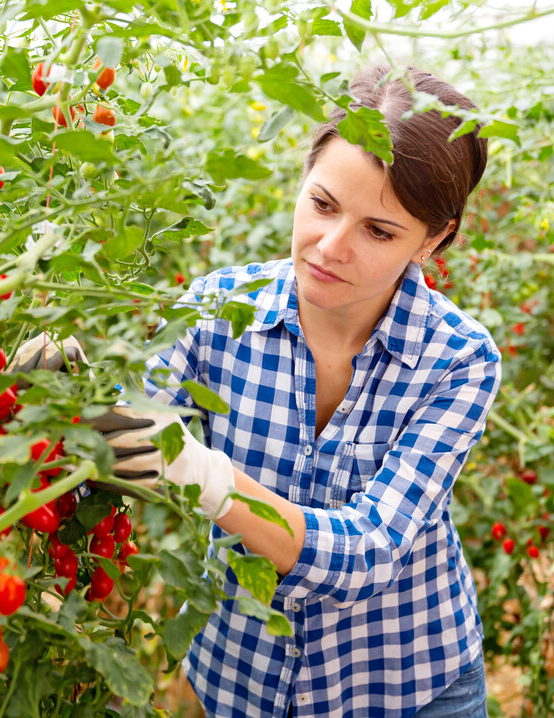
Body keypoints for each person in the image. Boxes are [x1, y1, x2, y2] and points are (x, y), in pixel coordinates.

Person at [94, 63, 501, 717]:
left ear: (435, 239)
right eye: (321, 204)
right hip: (242, 679)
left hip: (406, 685)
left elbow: (368, 548)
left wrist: (204, 475)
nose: (329, 247)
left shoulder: (457, 360)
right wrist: (67, 394)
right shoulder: (214, 311)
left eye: (378, 231)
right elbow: (124, 438)